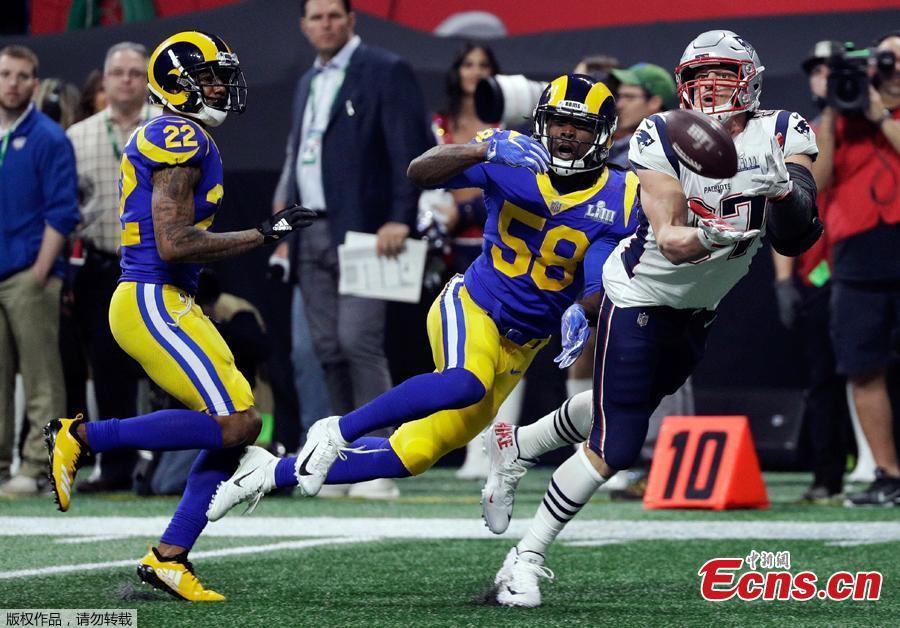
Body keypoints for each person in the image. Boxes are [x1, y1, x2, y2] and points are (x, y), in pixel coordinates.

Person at [481, 30, 823, 607]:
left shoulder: (783, 130)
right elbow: (668, 236)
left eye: (725, 74)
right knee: (618, 442)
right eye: (702, 76)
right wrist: (710, 232)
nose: (713, 88)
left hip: (701, 304)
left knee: (627, 401)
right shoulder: (660, 132)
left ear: (752, 80)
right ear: (684, 83)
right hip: (642, 291)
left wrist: (785, 190)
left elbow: (799, 237)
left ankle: (518, 444)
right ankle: (525, 557)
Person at [207, 74, 640, 522]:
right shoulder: (511, 155)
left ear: (604, 135)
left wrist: (581, 311)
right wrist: (480, 149)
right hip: (475, 306)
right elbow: (419, 172)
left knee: (413, 453)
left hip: (522, 345)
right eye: (557, 122)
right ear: (541, 123)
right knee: (463, 381)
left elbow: (598, 280)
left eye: (580, 125)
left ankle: (267, 472)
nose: (566, 133)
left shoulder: (622, 196)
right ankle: (337, 428)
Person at [43, 31, 318, 601]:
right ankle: (82, 435)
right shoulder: (179, 135)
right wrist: (263, 233)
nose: (220, 87)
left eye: (222, 76)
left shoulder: (186, 134)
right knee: (239, 425)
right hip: (151, 296)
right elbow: (172, 243)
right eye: (209, 77)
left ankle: (170, 557)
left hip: (169, 299)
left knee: (238, 425)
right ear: (177, 84)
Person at [269, 0, 433, 498]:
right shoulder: (306, 81)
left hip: (368, 231)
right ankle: (337, 461)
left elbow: (414, 147)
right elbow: (300, 153)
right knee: (325, 350)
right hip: (309, 230)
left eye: (334, 16)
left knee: (357, 341)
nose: (326, 24)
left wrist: (400, 218)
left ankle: (380, 459)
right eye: (316, 17)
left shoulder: (385, 69)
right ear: (303, 26)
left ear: (351, 20)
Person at [811, 32, 900, 507]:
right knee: (863, 367)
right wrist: (832, 114)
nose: (891, 69)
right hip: (857, 257)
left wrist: (880, 117)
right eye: (885, 60)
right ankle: (888, 474)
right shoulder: (839, 119)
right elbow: (816, 184)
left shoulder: (880, 115)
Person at [65, 42, 157, 493]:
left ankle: (170, 463)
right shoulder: (76, 136)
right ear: (103, 80)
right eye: (118, 72)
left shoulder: (169, 130)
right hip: (102, 265)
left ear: (147, 79)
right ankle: (115, 465)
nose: (126, 80)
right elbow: (66, 208)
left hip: (159, 265)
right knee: (106, 369)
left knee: (165, 367)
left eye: (136, 73)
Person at [770, 45, 850, 503]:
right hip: (821, 272)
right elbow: (792, 205)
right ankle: (828, 474)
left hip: (876, 264)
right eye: (817, 71)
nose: (825, 78)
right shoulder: (807, 135)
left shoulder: (882, 123)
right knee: (824, 377)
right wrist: (784, 280)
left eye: (833, 71)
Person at [0, 46, 80, 496]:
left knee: (41, 377)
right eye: (5, 74)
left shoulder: (49, 137)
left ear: (35, 83)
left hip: (29, 273)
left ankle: (39, 465)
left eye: (22, 75)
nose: (12, 83)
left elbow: (62, 212)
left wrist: (40, 272)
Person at [427, 41, 505, 479]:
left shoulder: (504, 123)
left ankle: (492, 446)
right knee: (455, 343)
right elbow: (424, 170)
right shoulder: (438, 123)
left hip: (497, 240)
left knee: (504, 344)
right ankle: (457, 436)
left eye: (484, 65)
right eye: (468, 64)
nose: (475, 72)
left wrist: (470, 207)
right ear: (456, 72)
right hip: (446, 242)